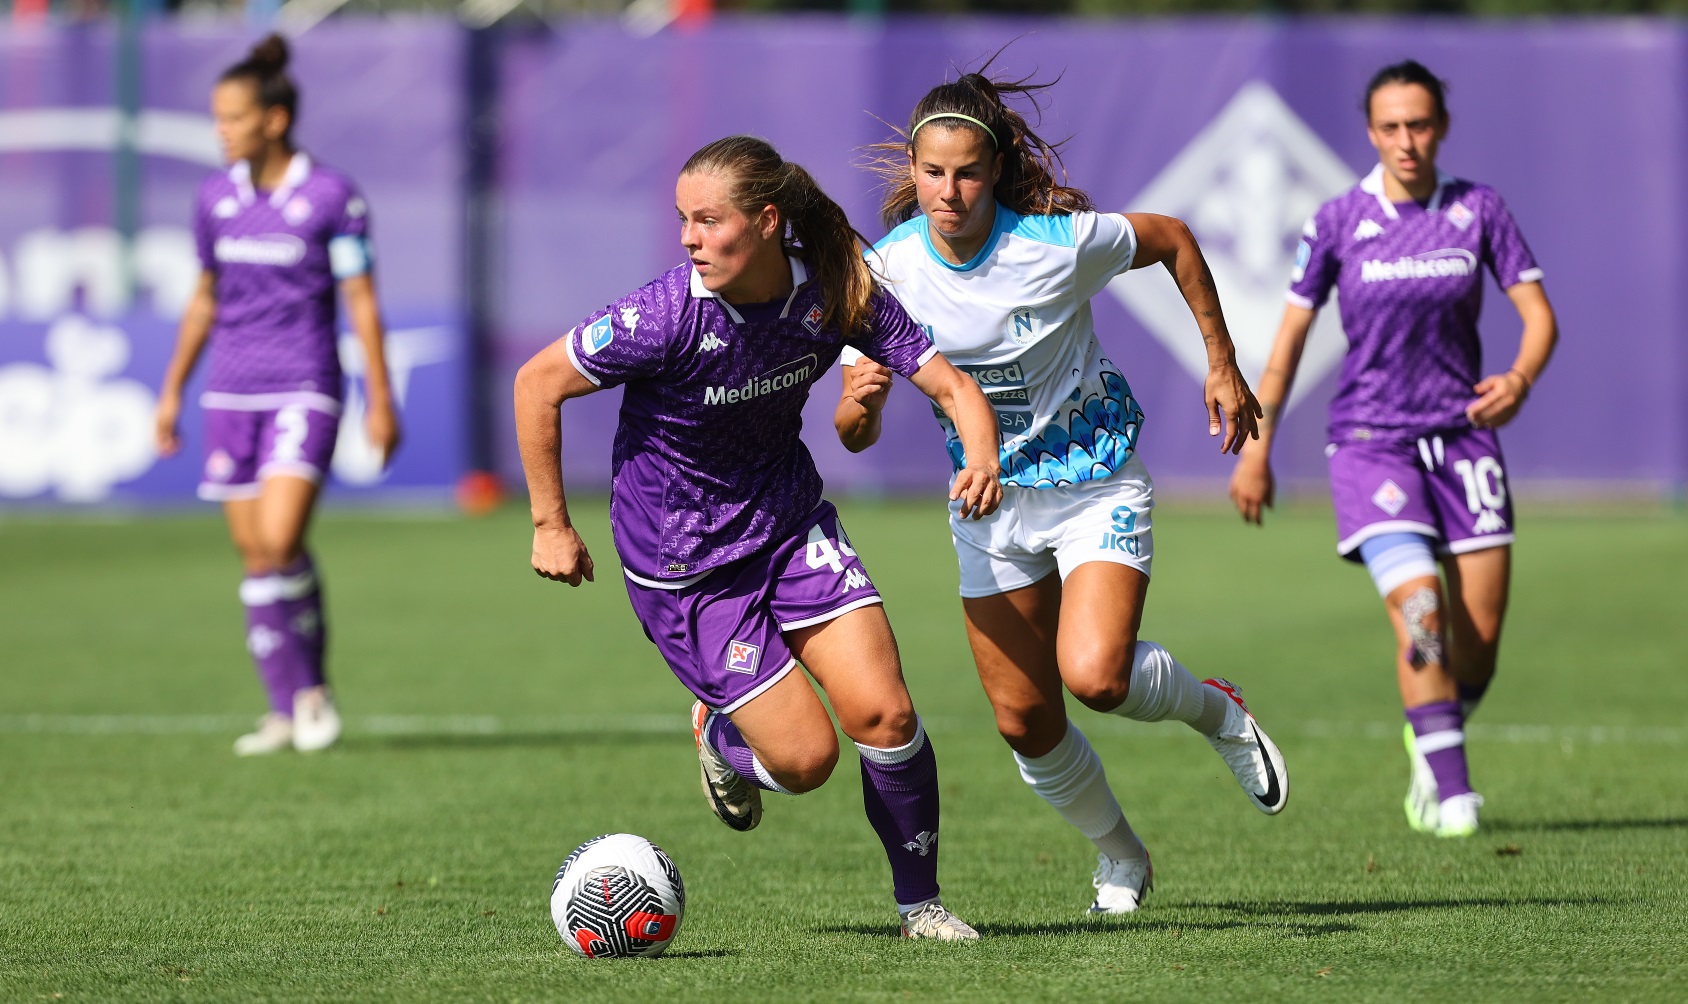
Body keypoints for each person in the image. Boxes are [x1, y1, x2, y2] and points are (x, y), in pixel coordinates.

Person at [514, 136, 1004, 941]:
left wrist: (981, 456)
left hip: (787, 523)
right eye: (683, 221)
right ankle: (718, 727)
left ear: (769, 221)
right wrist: (549, 523)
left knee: (886, 716)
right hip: (686, 566)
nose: (689, 238)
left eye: (708, 220)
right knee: (806, 764)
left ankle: (923, 907)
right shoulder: (664, 315)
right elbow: (538, 383)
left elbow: (950, 384)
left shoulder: (835, 291)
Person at [838, 71, 1288, 916]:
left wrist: (1222, 363)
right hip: (988, 508)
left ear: (998, 167)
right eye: (933, 173)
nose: (949, 191)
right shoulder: (884, 271)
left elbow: (1176, 239)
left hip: (1095, 479)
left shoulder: (1055, 243)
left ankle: (1216, 711)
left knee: (1097, 677)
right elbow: (850, 432)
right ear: (913, 167)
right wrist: (859, 406)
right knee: (1024, 723)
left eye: (968, 172)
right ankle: (1121, 856)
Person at [1229, 60, 1558, 838]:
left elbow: (1539, 316)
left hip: (1466, 442)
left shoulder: (1479, 210)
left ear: (1440, 126)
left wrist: (1518, 377)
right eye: (1390, 127)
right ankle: (1450, 795)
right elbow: (1287, 348)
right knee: (1421, 611)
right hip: (1372, 444)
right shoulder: (1339, 220)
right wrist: (1257, 447)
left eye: (1419, 124)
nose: (1406, 140)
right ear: (1371, 132)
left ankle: (1430, 726)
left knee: (1475, 646)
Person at [155, 34, 400, 756]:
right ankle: (281, 710)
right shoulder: (215, 198)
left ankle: (313, 689)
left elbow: (360, 300)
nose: (220, 131)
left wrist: (380, 398)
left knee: (281, 536)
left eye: (231, 118)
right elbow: (204, 299)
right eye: (216, 118)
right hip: (230, 393)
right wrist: (171, 392)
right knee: (255, 555)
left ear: (273, 120)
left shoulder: (331, 195)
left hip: (305, 385)